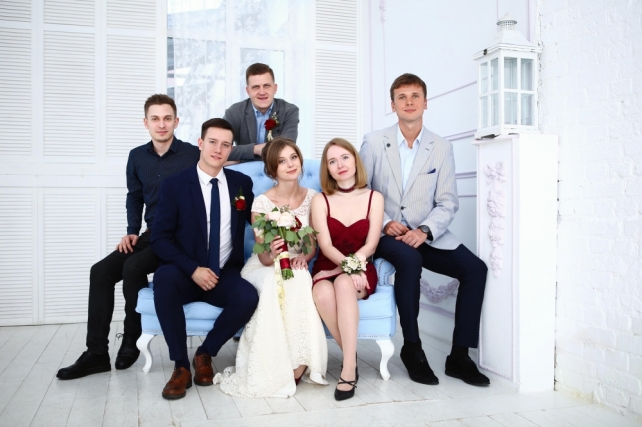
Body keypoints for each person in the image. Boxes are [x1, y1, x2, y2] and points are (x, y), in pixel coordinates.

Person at [56, 94, 199, 380]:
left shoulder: (193, 154)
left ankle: (131, 339)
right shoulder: (137, 156)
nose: (161, 124)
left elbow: (221, 157)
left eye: (167, 118)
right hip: (150, 234)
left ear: (177, 121)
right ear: (146, 123)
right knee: (100, 271)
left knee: (132, 267)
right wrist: (132, 231)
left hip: (179, 239)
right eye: (155, 119)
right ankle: (97, 353)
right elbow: (134, 197)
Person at [360, 73, 490, 387]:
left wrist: (424, 231)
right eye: (402, 97)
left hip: (426, 235)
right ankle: (412, 348)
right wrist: (385, 221)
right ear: (392, 105)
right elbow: (362, 190)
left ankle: (459, 356)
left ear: (425, 102)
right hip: (386, 234)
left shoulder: (441, 147)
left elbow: (448, 201)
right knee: (410, 259)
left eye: (415, 96)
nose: (409, 102)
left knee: (475, 269)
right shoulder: (374, 142)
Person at [151, 118, 258, 400]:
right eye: (212, 142)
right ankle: (180, 366)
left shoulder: (241, 184)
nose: (218, 149)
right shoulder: (175, 185)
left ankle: (205, 353)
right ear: (200, 143)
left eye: (225, 144)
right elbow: (159, 238)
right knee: (163, 278)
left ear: (231, 149)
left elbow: (257, 220)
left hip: (224, 272)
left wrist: (284, 222)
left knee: (248, 296)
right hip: (186, 272)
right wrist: (193, 269)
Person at [213, 137, 328, 398]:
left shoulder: (313, 198)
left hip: (295, 262)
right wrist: (275, 252)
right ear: (272, 169)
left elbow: (311, 244)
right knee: (276, 281)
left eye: (293, 158)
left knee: (299, 278)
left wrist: (304, 258)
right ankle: (271, 363)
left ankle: (298, 362)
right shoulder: (262, 203)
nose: (290, 164)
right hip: (263, 265)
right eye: (282, 161)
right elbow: (264, 257)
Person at [310, 138, 384, 401]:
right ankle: (351, 357)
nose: (339, 164)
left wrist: (353, 268)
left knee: (343, 283)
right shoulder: (320, 200)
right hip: (327, 264)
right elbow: (325, 246)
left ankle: (349, 369)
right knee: (321, 293)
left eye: (344, 157)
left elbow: (371, 244)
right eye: (332, 161)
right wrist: (342, 267)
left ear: (355, 160)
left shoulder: (374, 198)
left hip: (362, 266)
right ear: (327, 170)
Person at [223, 63, 299, 163]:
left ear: (275, 88)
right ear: (248, 91)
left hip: (277, 170)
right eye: (256, 87)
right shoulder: (234, 112)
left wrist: (240, 158)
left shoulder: (289, 111)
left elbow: (285, 150)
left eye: (266, 86)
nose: (262, 92)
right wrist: (255, 149)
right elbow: (220, 149)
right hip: (245, 170)